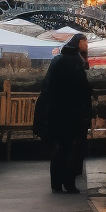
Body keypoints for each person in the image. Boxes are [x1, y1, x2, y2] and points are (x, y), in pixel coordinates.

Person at [33, 33, 93, 193]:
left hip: (55, 112)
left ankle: (56, 183)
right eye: (84, 41)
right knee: (71, 148)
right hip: (71, 113)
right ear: (78, 44)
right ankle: (68, 182)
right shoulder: (73, 62)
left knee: (61, 148)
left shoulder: (59, 60)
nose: (87, 44)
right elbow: (81, 88)